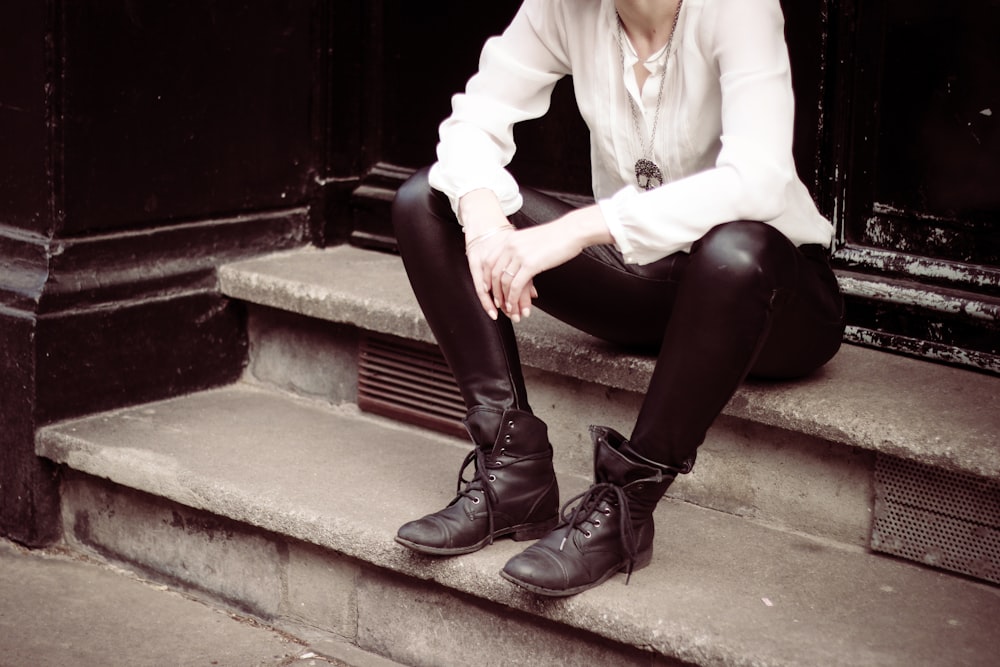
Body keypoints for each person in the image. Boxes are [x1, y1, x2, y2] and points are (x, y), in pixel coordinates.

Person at [390, 0, 845, 597]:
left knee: (734, 250)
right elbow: (473, 123)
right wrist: (482, 225)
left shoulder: (737, 8)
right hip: (649, 281)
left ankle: (624, 510)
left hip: (772, 301)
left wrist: (573, 229)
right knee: (428, 200)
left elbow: (756, 180)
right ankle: (512, 477)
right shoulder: (564, 7)